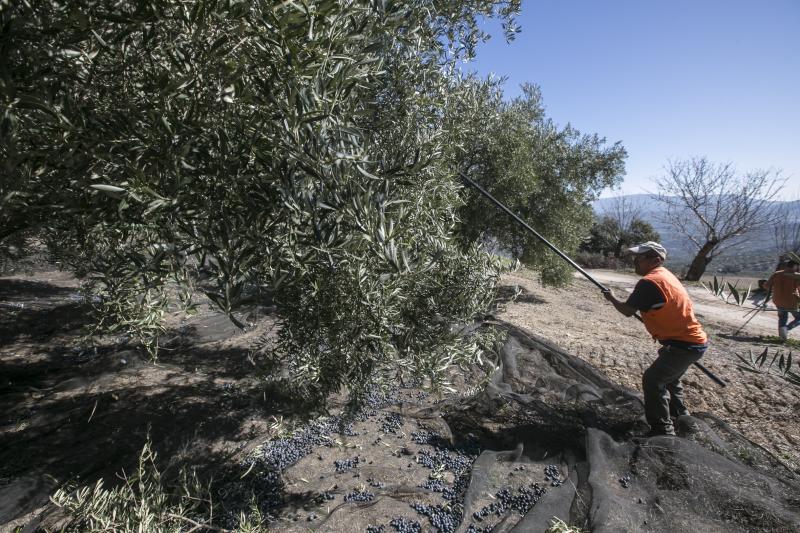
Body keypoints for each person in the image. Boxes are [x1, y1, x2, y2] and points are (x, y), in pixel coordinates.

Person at [602, 241, 708, 437]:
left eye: (640, 258)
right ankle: (681, 418)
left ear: (656, 260)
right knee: (670, 380)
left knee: (653, 380)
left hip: (683, 344)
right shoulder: (665, 276)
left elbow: (627, 310)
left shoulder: (650, 282)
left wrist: (612, 298)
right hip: (691, 342)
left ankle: (663, 431)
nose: (635, 261)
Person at [765, 252, 800, 341]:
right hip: (791, 301)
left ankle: (782, 337)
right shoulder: (797, 276)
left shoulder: (777, 273)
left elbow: (766, 286)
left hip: (778, 300)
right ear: (795, 266)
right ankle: (787, 328)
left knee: (782, 318)